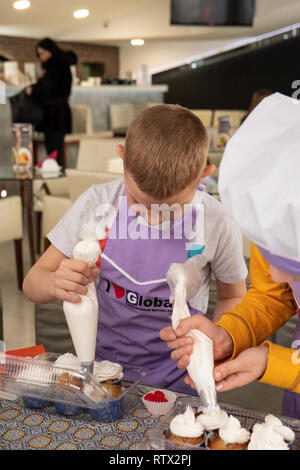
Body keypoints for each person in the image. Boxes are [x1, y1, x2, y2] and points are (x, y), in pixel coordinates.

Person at [22, 104, 247, 395]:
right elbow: (32, 283)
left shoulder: (218, 222)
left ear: (204, 175)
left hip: (181, 380)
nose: (150, 218)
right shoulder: (97, 203)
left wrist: (219, 337)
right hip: (102, 375)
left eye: (169, 209)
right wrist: (55, 282)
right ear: (122, 157)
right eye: (136, 200)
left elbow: (234, 295)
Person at [160, 93, 300, 418]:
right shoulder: (283, 208)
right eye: (272, 257)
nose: (278, 275)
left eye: (295, 265)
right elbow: (273, 295)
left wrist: (275, 363)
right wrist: (226, 335)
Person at [26, 38, 77, 167]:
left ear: (51, 50)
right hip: (53, 118)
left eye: (43, 53)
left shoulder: (59, 67)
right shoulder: (53, 68)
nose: (41, 57)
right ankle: (54, 183)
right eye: (39, 55)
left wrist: (35, 91)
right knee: (53, 153)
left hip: (57, 118)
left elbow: (60, 93)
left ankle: (57, 184)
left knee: (54, 154)